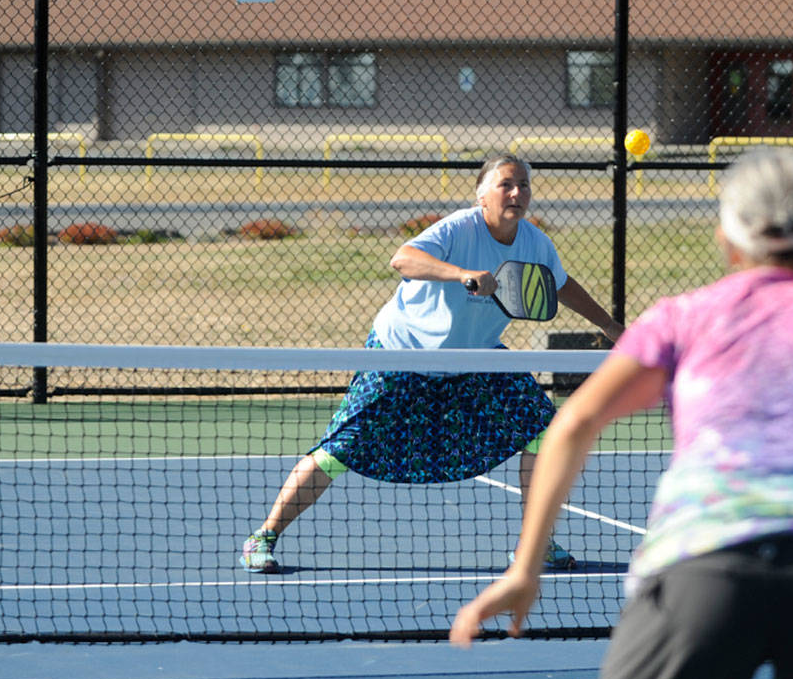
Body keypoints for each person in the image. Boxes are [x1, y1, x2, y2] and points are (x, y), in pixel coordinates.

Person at [451, 148, 793, 679]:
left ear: (727, 241)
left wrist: (525, 570)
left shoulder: (679, 319)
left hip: (703, 564)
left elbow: (572, 426)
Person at [239, 154, 623, 574]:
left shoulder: (535, 243)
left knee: (547, 433)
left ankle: (536, 544)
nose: (517, 193)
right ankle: (264, 537)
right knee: (339, 450)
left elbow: (560, 284)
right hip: (402, 352)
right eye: (506, 185)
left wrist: (608, 325)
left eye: (524, 185)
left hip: (477, 361)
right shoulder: (459, 227)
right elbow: (402, 258)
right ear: (482, 195)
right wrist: (461, 274)